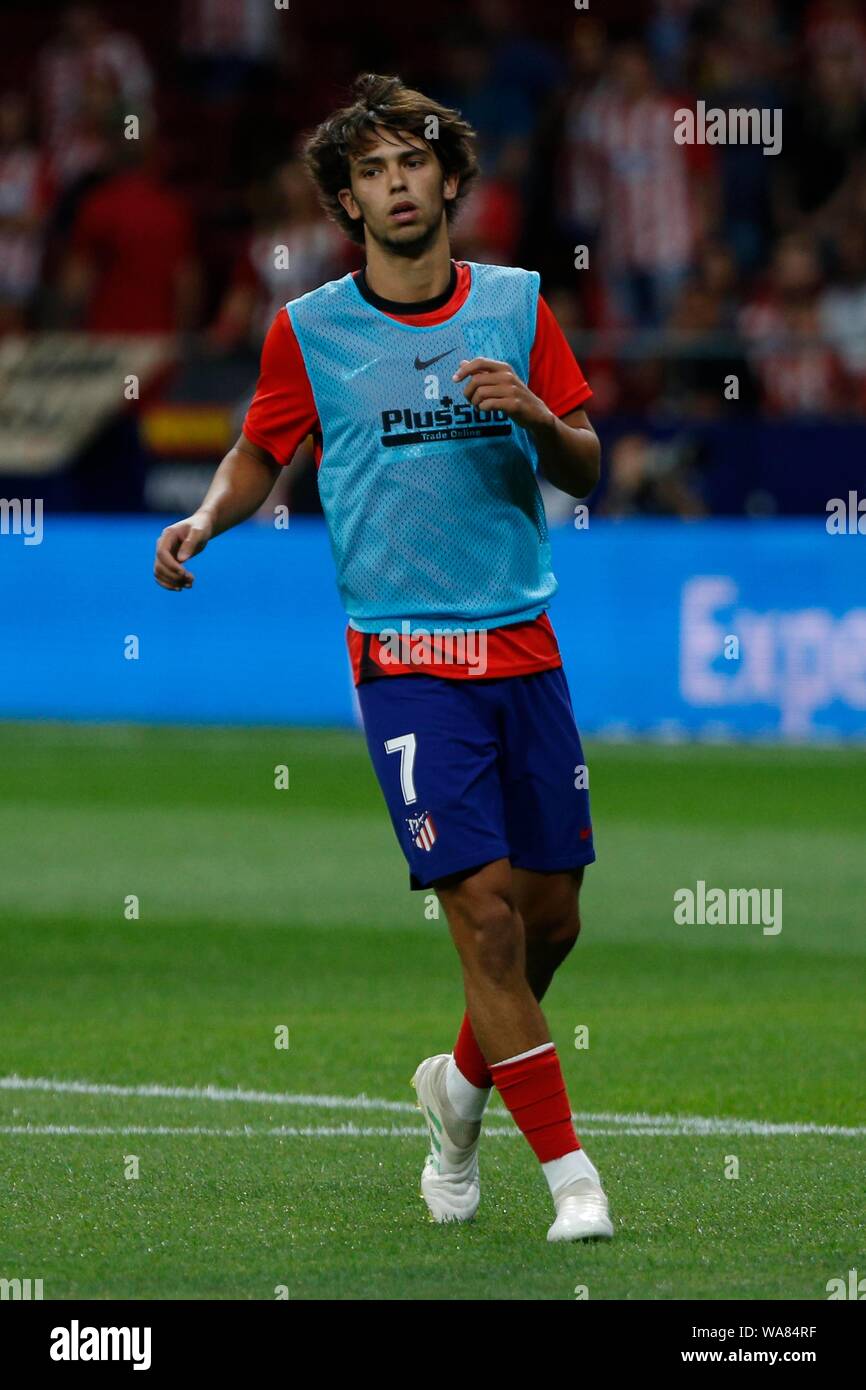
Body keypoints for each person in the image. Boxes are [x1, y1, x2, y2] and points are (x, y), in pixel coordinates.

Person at [153, 73, 611, 1244]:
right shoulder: (309, 329)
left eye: (412, 162)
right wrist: (208, 518)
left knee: (552, 918)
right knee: (485, 916)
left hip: (524, 647)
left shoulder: (513, 305)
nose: (395, 184)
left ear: (449, 178)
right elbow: (261, 449)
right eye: (370, 172)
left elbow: (586, 466)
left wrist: (534, 417)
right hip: (401, 660)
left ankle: (456, 1093)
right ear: (346, 201)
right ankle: (571, 1181)